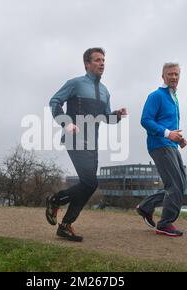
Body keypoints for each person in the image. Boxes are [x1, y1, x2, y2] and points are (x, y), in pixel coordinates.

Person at [46, 48, 127, 242]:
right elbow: (54, 101)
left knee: (87, 185)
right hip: (75, 138)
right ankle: (56, 200)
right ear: (87, 64)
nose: (102, 63)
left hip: (93, 143)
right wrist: (66, 122)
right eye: (97, 60)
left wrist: (116, 115)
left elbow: (106, 117)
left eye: (103, 60)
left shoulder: (105, 91)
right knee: (91, 182)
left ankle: (65, 225)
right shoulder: (75, 84)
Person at [137, 63, 187, 237]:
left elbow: (168, 124)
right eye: (170, 74)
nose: (173, 77)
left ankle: (146, 206)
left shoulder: (174, 97)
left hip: (171, 145)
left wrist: (178, 139)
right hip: (159, 144)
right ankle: (165, 224)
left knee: (180, 184)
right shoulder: (156, 95)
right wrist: (168, 134)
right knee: (175, 185)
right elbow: (145, 120)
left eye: (176, 74)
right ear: (163, 76)